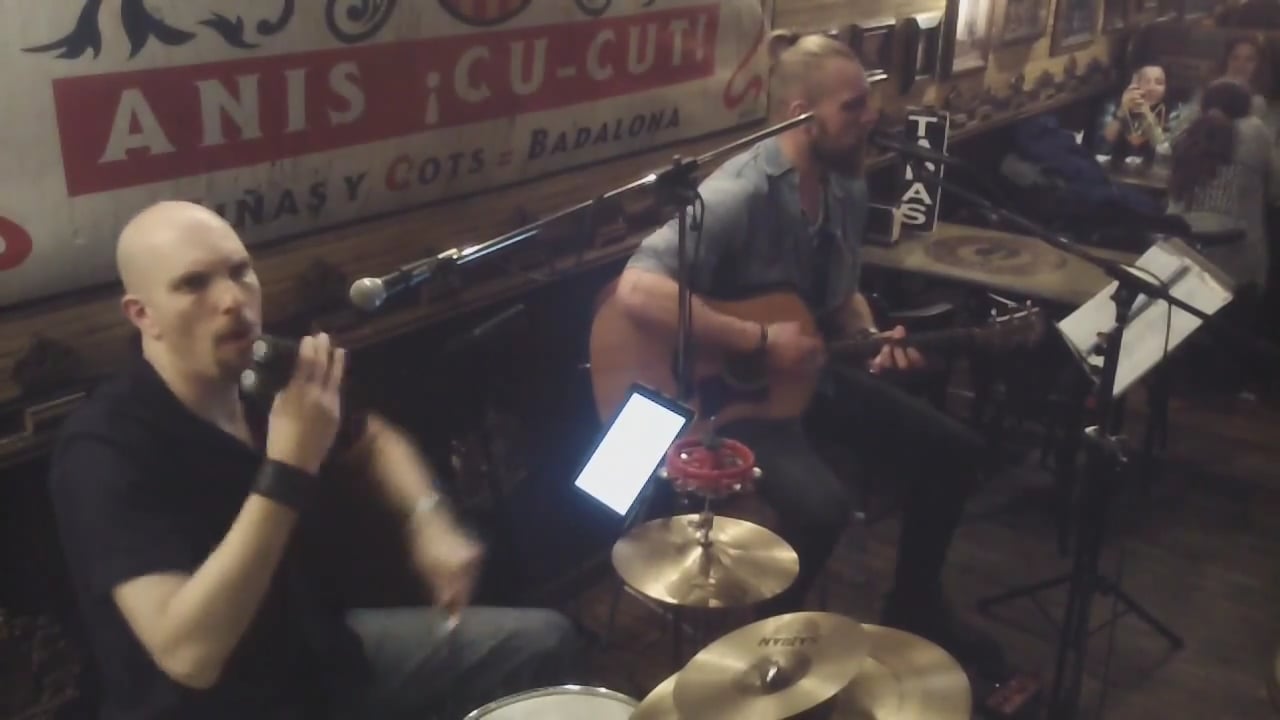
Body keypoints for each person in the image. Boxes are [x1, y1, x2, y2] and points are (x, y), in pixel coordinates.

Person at [48, 201, 578, 720]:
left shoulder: (262, 373)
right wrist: (289, 466)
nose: (232, 299)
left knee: (542, 643)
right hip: (217, 706)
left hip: (313, 656)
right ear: (143, 315)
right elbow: (189, 656)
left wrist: (427, 519)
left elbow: (374, 439)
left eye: (240, 272)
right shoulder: (102, 449)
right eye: (194, 284)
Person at [614, 31, 1008, 680]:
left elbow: (839, 294)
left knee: (955, 451)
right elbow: (636, 290)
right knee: (821, 509)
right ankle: (760, 658)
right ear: (801, 112)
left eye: (868, 100)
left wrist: (872, 334)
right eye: (854, 105)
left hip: (804, 376)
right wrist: (759, 340)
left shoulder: (845, 184)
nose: (871, 116)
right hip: (723, 398)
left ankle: (915, 603)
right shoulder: (738, 193)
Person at [1169, 77, 1277, 292]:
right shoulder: (1255, 131)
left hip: (1178, 252)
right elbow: (1275, 190)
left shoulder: (1187, 133)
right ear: (1245, 107)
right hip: (1236, 264)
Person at [1171, 36, 1275, 142]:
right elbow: (1181, 125)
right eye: (1235, 58)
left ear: (1259, 65)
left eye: (1249, 60)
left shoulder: (1259, 103)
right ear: (1226, 61)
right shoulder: (1208, 91)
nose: (1240, 65)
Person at [1096, 64, 1183, 163]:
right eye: (1146, 81)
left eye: (1159, 83)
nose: (1151, 87)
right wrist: (1122, 111)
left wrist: (1146, 112)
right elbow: (1101, 147)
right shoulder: (1113, 104)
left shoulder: (1175, 110)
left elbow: (1167, 151)